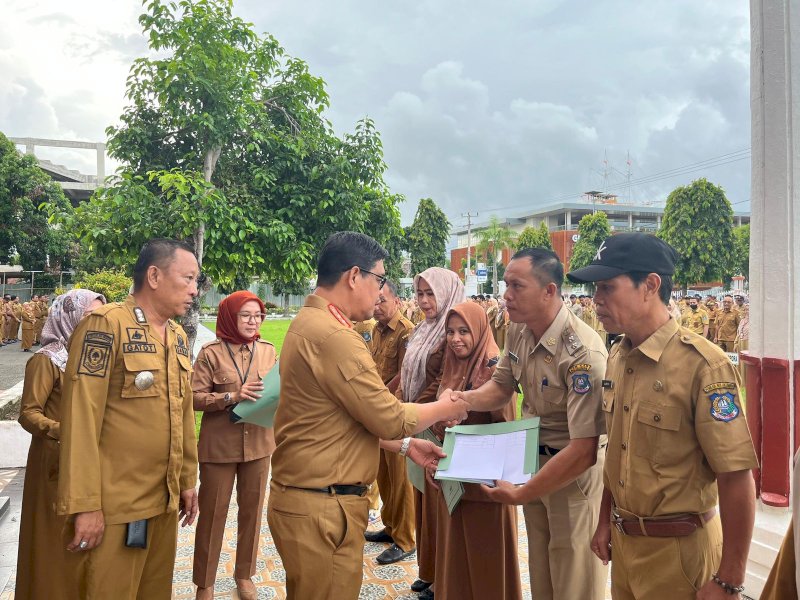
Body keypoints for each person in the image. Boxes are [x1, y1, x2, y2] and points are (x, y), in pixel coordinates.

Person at [267, 232, 470, 600]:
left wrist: (407, 446)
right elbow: (387, 416)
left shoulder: (309, 322)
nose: (380, 292)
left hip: (312, 498)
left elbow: (340, 421)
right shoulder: (334, 336)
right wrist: (448, 407)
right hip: (322, 505)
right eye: (378, 280)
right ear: (353, 276)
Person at [564, 232, 758, 600]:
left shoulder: (703, 366)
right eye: (595, 289)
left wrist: (730, 579)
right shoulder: (619, 357)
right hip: (626, 546)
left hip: (680, 552)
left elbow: (735, 476)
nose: (596, 300)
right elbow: (618, 451)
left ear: (650, 285)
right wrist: (605, 520)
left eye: (607, 287)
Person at [449, 247, 609, 600]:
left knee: (575, 580)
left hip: (571, 478)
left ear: (549, 291)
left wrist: (522, 492)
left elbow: (583, 452)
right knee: (543, 572)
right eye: (506, 285)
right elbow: (502, 386)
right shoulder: (520, 332)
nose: (506, 295)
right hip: (532, 466)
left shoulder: (582, 353)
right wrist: (466, 400)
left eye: (516, 286)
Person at [57, 238, 200, 599]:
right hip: (116, 507)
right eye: (188, 279)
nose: (194, 291)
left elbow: (182, 415)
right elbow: (81, 419)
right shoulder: (106, 326)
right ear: (154, 275)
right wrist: (86, 504)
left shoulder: (178, 337)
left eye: (197, 281)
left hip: (163, 500)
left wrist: (186, 480)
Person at [16, 289, 106, 600]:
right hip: (54, 462)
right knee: (54, 542)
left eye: (100, 317)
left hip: (87, 460)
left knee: (85, 539)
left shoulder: (92, 360)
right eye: (88, 317)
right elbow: (28, 413)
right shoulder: (48, 360)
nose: (95, 324)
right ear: (68, 317)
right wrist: (65, 431)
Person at [192, 290, 277, 600]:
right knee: (212, 514)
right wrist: (232, 396)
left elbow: (276, 390)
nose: (253, 321)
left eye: (258, 315)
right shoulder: (210, 353)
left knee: (252, 513)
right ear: (230, 316)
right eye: (246, 315)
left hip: (258, 444)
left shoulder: (268, 350)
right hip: (219, 448)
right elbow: (194, 398)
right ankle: (205, 582)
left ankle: (245, 575)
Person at [434, 302, 522, 600]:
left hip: (485, 489)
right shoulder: (454, 361)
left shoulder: (493, 369)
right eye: (450, 332)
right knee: (457, 561)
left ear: (480, 330)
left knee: (487, 566)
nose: (455, 339)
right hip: (455, 482)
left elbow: (507, 428)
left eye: (463, 331)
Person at [397, 266, 465, 599]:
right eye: (420, 293)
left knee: (441, 510)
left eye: (430, 293)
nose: (424, 301)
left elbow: (442, 382)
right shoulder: (424, 329)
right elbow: (407, 373)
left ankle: (444, 578)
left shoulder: (452, 332)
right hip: (416, 423)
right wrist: (397, 403)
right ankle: (429, 569)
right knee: (422, 504)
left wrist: (415, 414)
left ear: (447, 292)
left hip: (435, 426)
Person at [364, 280, 417, 565]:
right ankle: (390, 525)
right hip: (378, 409)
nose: (377, 305)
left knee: (400, 477)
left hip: (395, 411)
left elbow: (404, 374)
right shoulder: (376, 330)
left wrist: (381, 394)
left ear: (397, 301)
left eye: (382, 300)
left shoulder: (406, 331)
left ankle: (406, 538)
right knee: (383, 473)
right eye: (374, 300)